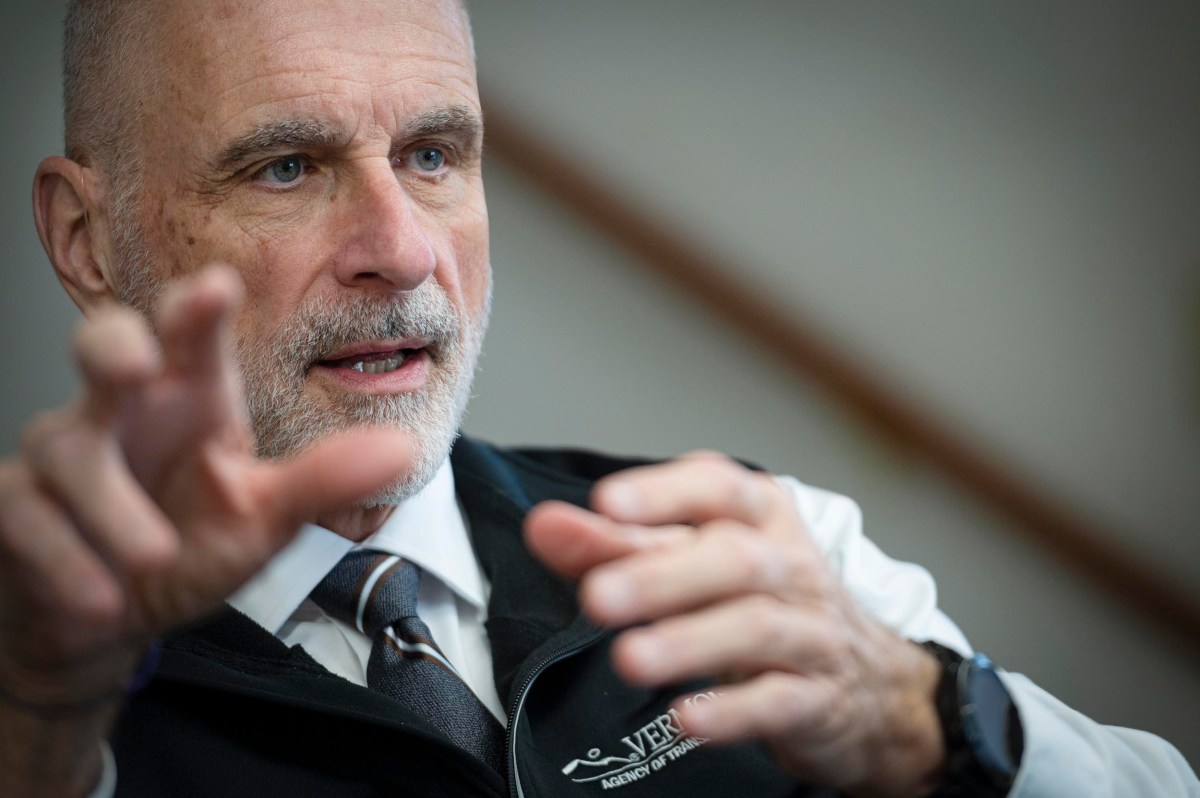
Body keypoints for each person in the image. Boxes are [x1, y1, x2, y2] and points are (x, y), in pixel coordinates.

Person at [0, 1, 1194, 796]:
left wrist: (933, 715)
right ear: (87, 239)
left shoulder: (748, 548)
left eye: (432, 155)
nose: (403, 251)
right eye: (285, 167)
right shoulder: (37, 672)